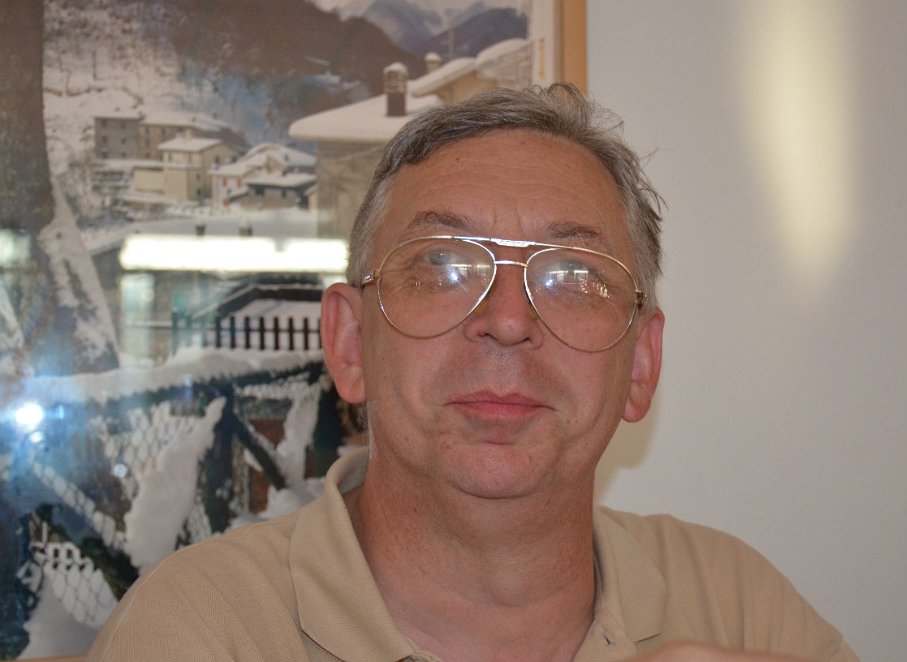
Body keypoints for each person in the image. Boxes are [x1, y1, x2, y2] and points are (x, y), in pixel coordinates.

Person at [87, 84, 857, 662]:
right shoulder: (200, 632)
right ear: (349, 344)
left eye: (574, 275)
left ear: (641, 363)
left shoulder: (741, 608)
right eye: (441, 267)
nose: (509, 320)